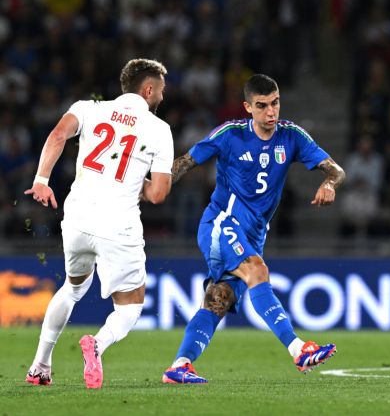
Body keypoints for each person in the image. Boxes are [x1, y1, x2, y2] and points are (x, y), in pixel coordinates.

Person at [162, 74, 345, 384]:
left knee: (218, 300)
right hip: (221, 223)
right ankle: (298, 349)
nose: (270, 112)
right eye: (262, 106)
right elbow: (186, 162)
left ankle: (180, 365)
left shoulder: (292, 137)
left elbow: (336, 169)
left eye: (275, 103)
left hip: (253, 235)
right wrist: (154, 187)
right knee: (257, 271)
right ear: (248, 107)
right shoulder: (230, 135)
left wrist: (329, 183)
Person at [24, 59, 174, 389]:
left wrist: (41, 179)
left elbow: (58, 134)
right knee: (131, 306)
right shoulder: (158, 130)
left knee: (73, 287)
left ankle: (39, 366)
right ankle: (98, 344)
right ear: (148, 90)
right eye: (161, 90)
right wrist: (143, 185)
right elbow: (159, 193)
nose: (163, 96)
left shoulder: (88, 108)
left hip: (77, 217)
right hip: (118, 224)